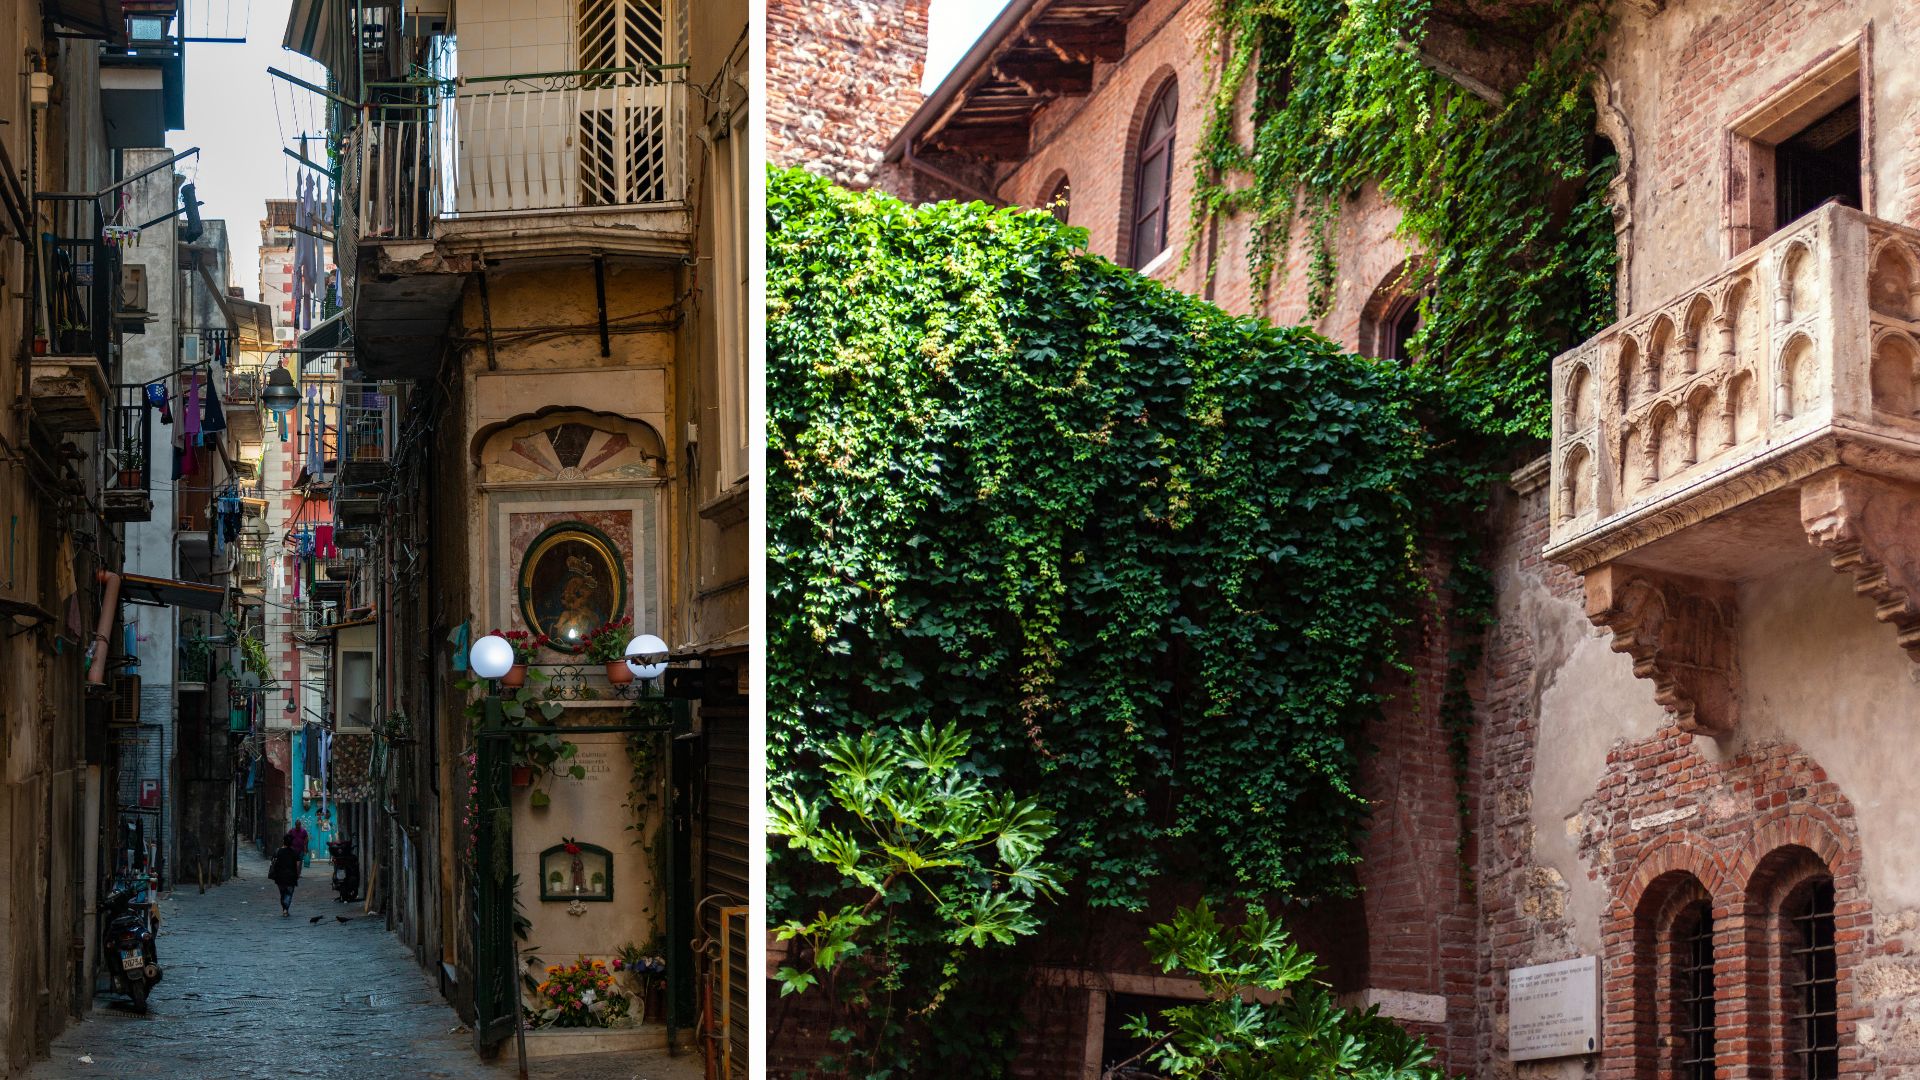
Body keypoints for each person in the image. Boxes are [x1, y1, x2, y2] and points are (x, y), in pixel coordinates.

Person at [268, 834, 301, 917]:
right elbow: (298, 865)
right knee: (289, 894)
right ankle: (285, 909)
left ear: (283, 841)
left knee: (282, 894)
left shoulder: (278, 851)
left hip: (280, 877)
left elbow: (272, 862)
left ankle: (284, 909)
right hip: (291, 877)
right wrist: (298, 874)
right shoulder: (295, 852)